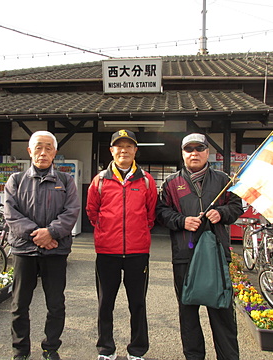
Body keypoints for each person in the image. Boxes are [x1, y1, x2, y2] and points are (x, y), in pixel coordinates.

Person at [156, 133, 243, 360]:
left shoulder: (224, 180)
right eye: (189, 149)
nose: (194, 153)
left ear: (207, 152)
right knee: (188, 314)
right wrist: (181, 220)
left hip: (217, 256)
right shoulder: (171, 183)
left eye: (199, 148)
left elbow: (236, 207)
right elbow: (161, 213)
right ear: (183, 153)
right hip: (185, 256)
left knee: (222, 313)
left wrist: (221, 212)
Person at [4, 130, 80, 360]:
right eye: (38, 147)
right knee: (19, 304)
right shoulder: (16, 180)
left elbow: (72, 211)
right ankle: (20, 351)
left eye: (48, 148)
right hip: (24, 250)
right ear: (29, 151)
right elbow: (10, 213)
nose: (43, 153)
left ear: (55, 153)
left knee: (55, 303)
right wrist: (37, 235)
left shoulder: (66, 180)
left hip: (56, 251)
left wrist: (51, 233)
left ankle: (51, 348)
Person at [86, 129, 158, 360]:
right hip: (107, 252)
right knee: (105, 303)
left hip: (138, 253)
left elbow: (151, 214)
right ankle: (106, 349)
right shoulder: (99, 181)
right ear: (111, 150)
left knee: (137, 303)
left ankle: (137, 351)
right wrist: (107, 231)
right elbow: (92, 212)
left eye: (129, 146)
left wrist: (137, 232)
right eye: (119, 146)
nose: (124, 150)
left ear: (135, 150)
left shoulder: (146, 180)